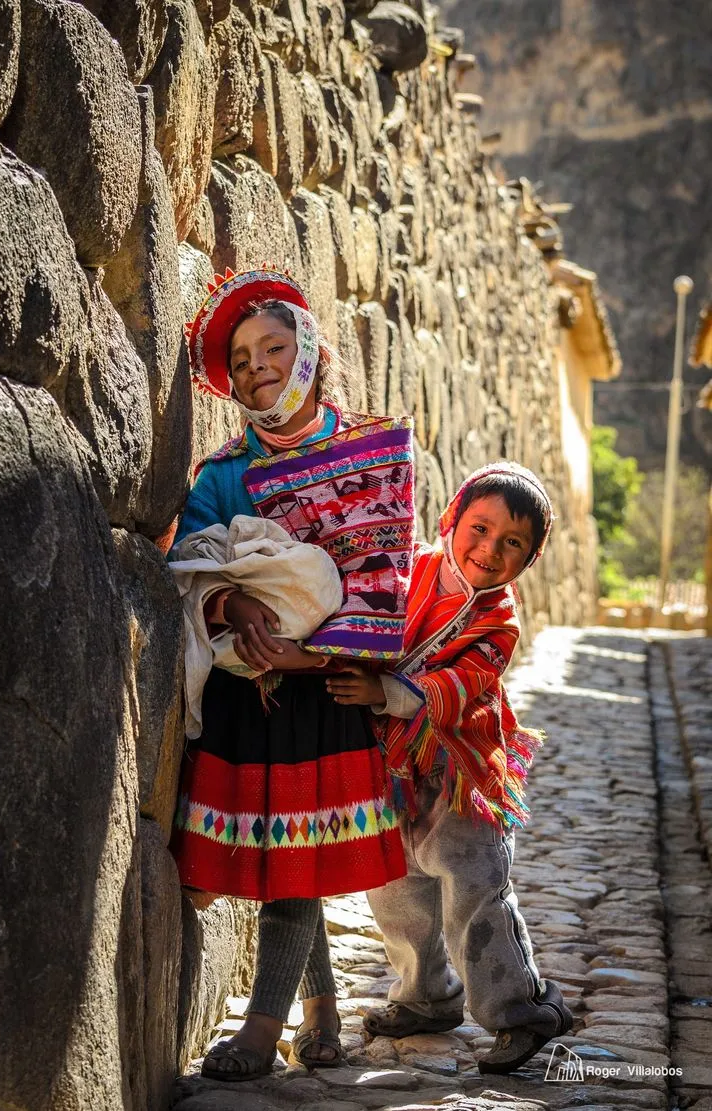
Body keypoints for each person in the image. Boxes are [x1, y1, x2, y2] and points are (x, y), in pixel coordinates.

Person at [170, 266, 412, 1082]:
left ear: (308, 348)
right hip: (253, 689)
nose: (257, 366)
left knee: (295, 859)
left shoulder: (369, 454)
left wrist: (314, 652)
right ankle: (322, 1009)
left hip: (327, 686)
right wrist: (231, 606)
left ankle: (261, 1024)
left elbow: (383, 573)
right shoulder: (221, 473)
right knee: (286, 855)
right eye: (239, 360)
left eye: (272, 345)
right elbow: (193, 562)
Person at [326, 462, 573, 1075]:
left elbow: (466, 680)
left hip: (461, 770)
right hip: (392, 765)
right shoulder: (408, 571)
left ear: (529, 558)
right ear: (450, 519)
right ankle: (426, 997)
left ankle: (524, 1010)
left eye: (512, 543)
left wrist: (384, 693)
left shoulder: (499, 620)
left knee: (474, 889)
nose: (490, 550)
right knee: (394, 886)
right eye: (480, 528)